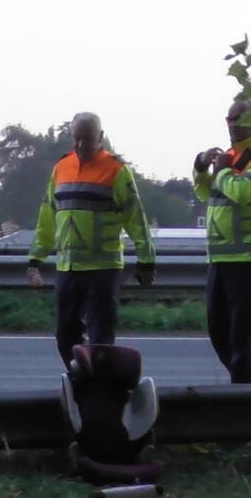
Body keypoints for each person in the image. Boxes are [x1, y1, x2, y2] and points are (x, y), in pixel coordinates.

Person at [27, 112, 156, 367]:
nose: (81, 145)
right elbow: (47, 217)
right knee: (65, 337)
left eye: (87, 139)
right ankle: (79, 383)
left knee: (100, 343)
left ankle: (99, 395)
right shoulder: (61, 168)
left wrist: (146, 260)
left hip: (103, 271)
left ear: (101, 137)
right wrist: (36, 259)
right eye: (77, 139)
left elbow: (135, 218)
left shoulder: (116, 170)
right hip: (68, 269)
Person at [194, 98, 251, 382]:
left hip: (245, 263)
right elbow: (205, 193)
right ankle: (240, 381)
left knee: (243, 337)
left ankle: (241, 395)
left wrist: (224, 170)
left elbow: (243, 193)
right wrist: (202, 166)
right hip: (218, 259)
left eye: (238, 118)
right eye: (228, 119)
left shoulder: (236, 161)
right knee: (219, 333)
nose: (231, 124)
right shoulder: (231, 155)